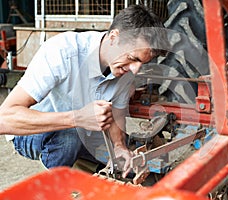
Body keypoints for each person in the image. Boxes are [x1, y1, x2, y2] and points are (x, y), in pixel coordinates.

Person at [0, 5, 169, 178]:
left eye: (141, 63)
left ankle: (89, 170)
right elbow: (4, 120)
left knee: (129, 160)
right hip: (30, 132)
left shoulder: (124, 69)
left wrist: (119, 146)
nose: (135, 70)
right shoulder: (62, 51)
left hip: (82, 130)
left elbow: (117, 114)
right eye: (133, 58)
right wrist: (77, 118)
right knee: (71, 137)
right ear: (114, 38)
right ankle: (56, 189)